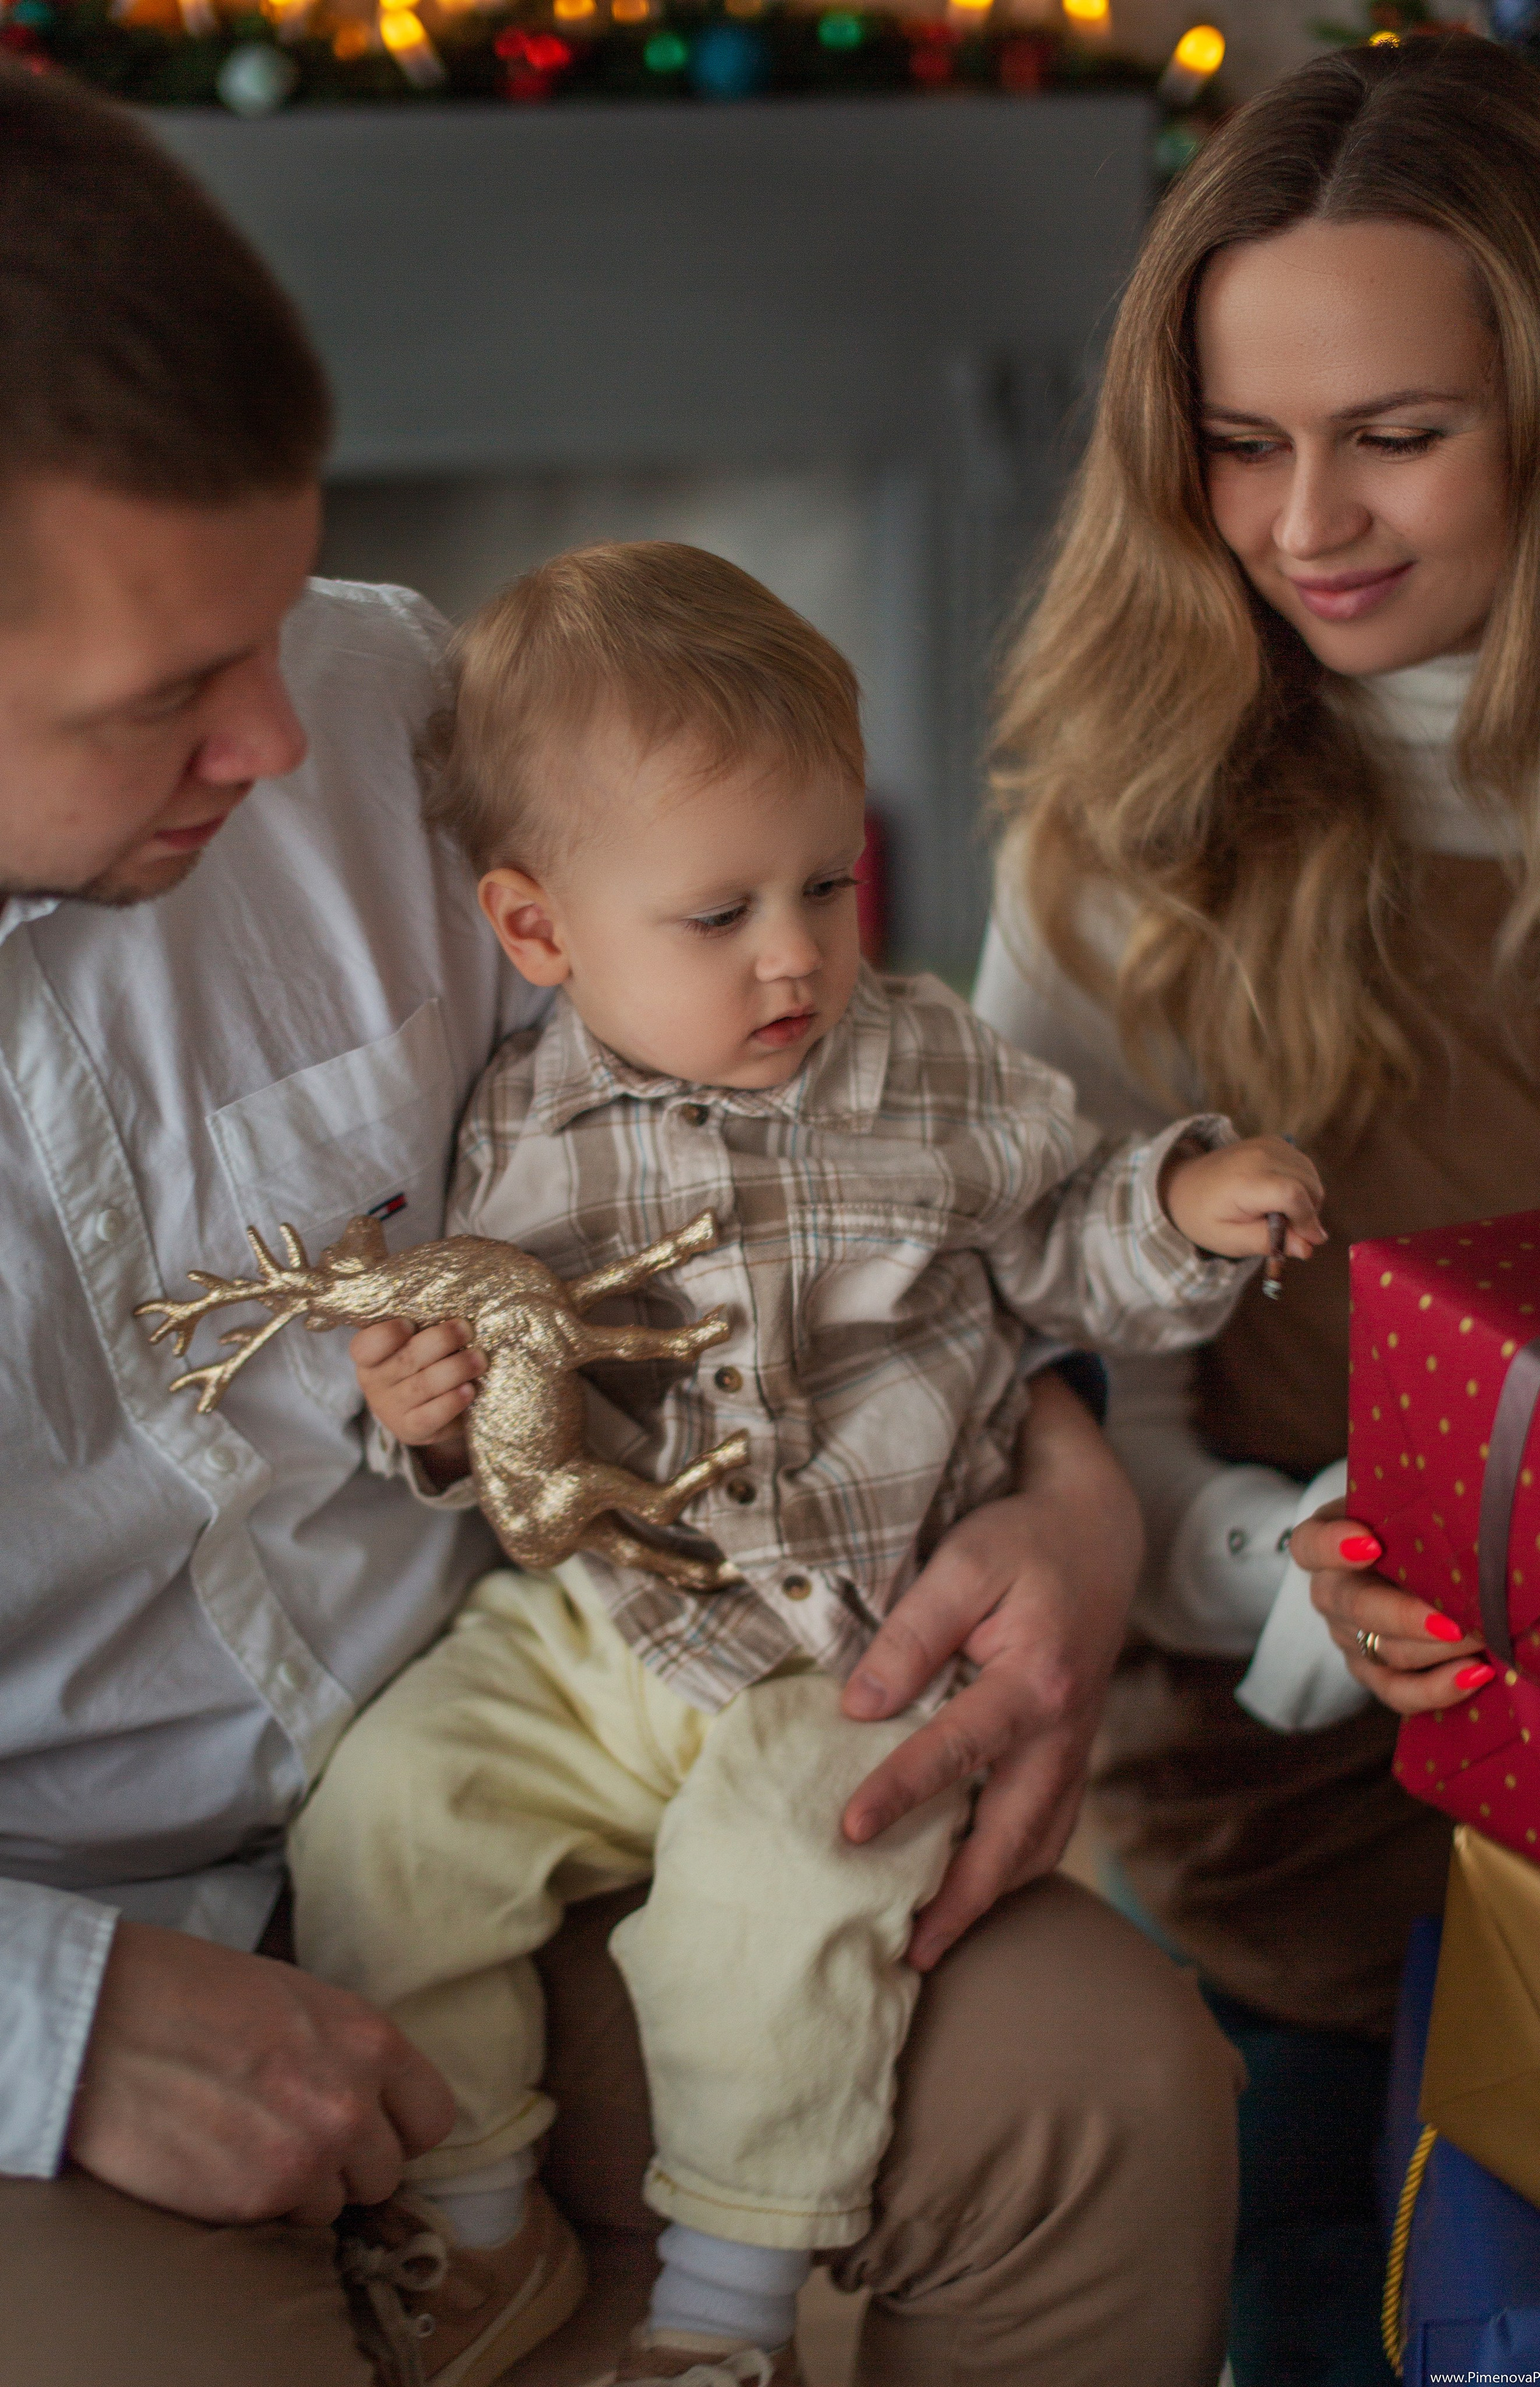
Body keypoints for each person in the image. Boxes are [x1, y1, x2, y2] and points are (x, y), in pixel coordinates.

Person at [0, 63, 1244, 2387]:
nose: (287, 741)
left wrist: (1061, 1487)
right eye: (171, 692)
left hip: (594, 1706)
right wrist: (49, 2024)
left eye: (276, 611)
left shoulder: (384, 712)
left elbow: (811, 1139)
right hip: (72, 1965)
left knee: (1102, 2079)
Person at [283, 543, 1324, 2387]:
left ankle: (726, 2317)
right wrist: (423, 1405)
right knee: (387, 1820)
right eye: (719, 915)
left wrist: (1183, 1205)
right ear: (539, 934)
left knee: (776, 1901)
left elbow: (1069, 1243)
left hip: (858, 1639)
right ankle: (476, 2225)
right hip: (612, 1633)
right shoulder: (517, 1124)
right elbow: (495, 1420)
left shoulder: (924, 1067)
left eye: (829, 885)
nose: (795, 952)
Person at [976, 34, 1540, 2386]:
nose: (1303, 520)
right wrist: (1280, 1559)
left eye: (1397, 435)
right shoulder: (1125, 849)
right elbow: (1052, 1391)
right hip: (1303, 1850)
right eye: (1239, 442)